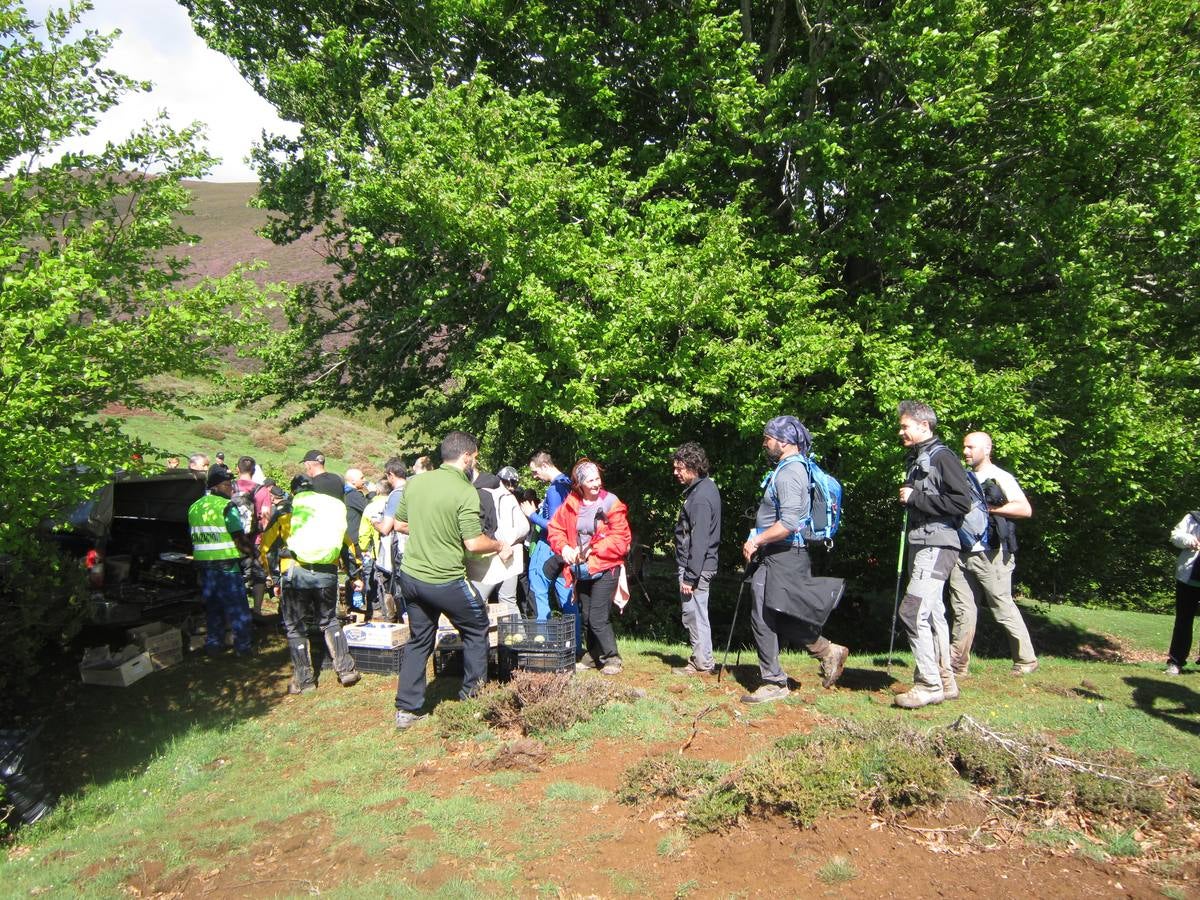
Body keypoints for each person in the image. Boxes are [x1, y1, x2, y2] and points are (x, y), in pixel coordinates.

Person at [393, 432, 514, 729]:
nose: (475, 462)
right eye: (475, 457)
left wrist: (431, 531)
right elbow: (473, 543)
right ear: (467, 457)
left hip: (410, 576)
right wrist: (499, 545)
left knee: (420, 638)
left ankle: (407, 710)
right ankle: (472, 700)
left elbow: (399, 524)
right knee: (476, 627)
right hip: (444, 579)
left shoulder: (416, 482)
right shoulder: (465, 492)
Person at [739, 417, 849, 702]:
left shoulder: (790, 473)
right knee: (774, 614)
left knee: (766, 615)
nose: (765, 443)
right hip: (781, 554)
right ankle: (825, 652)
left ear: (784, 441)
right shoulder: (790, 469)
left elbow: (789, 522)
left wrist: (757, 540)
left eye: (768, 438)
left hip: (784, 554)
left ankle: (775, 682)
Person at [894, 401, 974, 709]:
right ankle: (946, 682)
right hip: (924, 542)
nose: (901, 431)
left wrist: (917, 497)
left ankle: (927, 684)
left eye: (905, 426)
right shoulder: (919, 458)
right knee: (934, 614)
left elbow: (961, 502)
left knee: (912, 612)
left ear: (924, 426)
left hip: (938, 544)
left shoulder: (943, 457)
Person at [946, 432, 1038, 676]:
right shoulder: (962, 478)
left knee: (1001, 606)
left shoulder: (1000, 476)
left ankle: (1026, 661)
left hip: (993, 554)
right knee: (962, 609)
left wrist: (990, 509)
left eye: (970, 447)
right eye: (964, 447)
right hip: (962, 553)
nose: (965, 451)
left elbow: (1024, 509)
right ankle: (957, 666)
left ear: (987, 449)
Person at [263, 475, 362, 693]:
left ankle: (305, 680)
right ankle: (346, 669)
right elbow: (349, 545)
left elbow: (267, 546)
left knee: (296, 628)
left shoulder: (286, 509)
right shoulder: (330, 509)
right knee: (329, 620)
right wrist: (355, 575)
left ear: (294, 491)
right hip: (327, 572)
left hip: (295, 573)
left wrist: (274, 579)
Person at [548, 459, 632, 675]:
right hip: (581, 569)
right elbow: (555, 529)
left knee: (597, 617)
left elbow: (621, 539)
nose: (596, 483)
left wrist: (592, 550)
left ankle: (612, 658)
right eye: (591, 480)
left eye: (598, 478)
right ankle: (593, 655)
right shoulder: (572, 502)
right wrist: (565, 548)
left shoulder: (611, 502)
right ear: (580, 484)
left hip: (606, 566)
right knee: (585, 617)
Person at [188, 465, 253, 656]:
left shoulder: (195, 506)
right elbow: (238, 536)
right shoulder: (226, 506)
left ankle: (213, 645)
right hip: (227, 565)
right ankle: (243, 647)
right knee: (237, 608)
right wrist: (253, 554)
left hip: (204, 565)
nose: (231, 489)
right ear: (215, 487)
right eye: (226, 485)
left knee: (213, 607)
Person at [671, 442, 721, 676]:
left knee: (694, 614)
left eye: (679, 468)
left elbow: (699, 540)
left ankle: (702, 663)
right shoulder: (704, 489)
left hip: (697, 568)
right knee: (695, 613)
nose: (676, 472)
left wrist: (690, 577)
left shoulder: (700, 497)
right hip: (699, 565)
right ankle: (701, 659)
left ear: (693, 466)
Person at [468, 470, 529, 618]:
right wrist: (508, 543)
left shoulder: (478, 495)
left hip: (490, 556)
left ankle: (481, 639)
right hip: (509, 554)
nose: (512, 487)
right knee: (508, 602)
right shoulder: (508, 496)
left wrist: (501, 544)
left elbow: (480, 529)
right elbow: (524, 526)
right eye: (509, 483)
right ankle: (517, 640)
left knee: (475, 602)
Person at [526, 452, 575, 622]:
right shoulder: (568, 483)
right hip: (567, 548)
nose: (534, 477)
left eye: (535, 472)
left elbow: (554, 526)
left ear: (545, 465)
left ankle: (542, 639)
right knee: (566, 594)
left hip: (549, 547)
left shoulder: (555, 489)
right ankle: (574, 645)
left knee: (538, 589)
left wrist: (532, 515)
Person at [233, 455, 273, 617]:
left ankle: (236, 608)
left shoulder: (230, 487)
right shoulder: (261, 490)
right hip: (254, 541)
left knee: (235, 573)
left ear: (237, 469)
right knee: (258, 576)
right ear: (254, 470)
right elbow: (266, 519)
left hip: (233, 540)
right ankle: (256, 610)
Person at [1165, 509, 1200, 675]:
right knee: (1183, 621)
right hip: (1188, 578)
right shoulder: (1193, 518)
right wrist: (1188, 539)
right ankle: (1176, 661)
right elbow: (1175, 535)